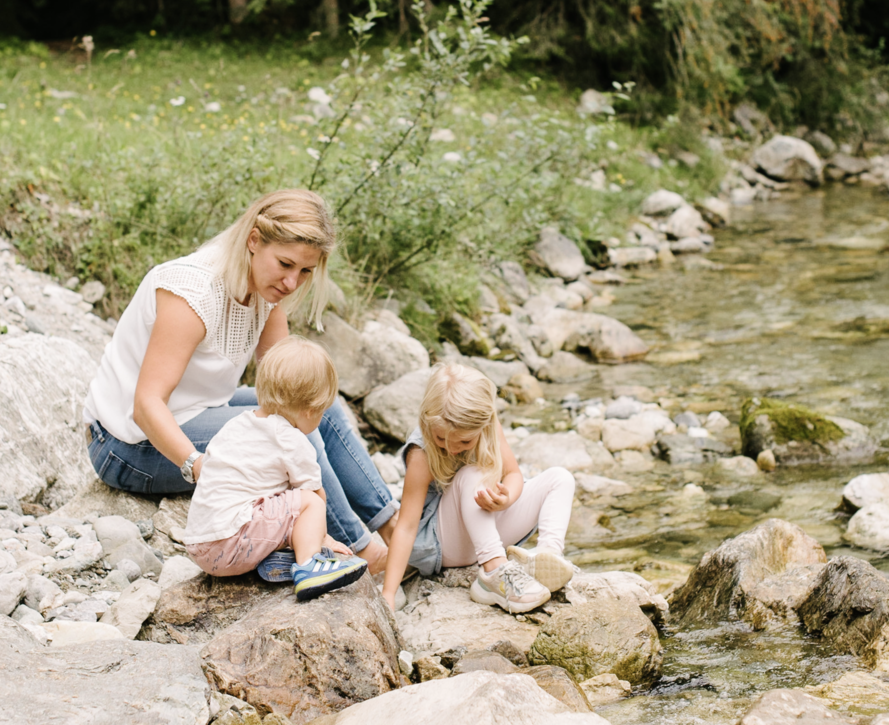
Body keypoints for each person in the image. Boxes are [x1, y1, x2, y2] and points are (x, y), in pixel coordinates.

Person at [82, 189, 399, 570]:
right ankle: (360, 551)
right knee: (293, 432)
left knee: (317, 408)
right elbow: (146, 405)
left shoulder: (267, 289)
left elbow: (288, 387)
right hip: (127, 445)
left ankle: (397, 530)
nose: (291, 282)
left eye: (305, 271)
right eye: (285, 263)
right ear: (253, 240)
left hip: (200, 412)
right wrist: (203, 469)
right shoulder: (192, 292)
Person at [380, 362, 577, 614]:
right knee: (471, 474)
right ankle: (493, 572)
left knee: (560, 478)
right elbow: (406, 526)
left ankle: (547, 558)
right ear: (427, 422)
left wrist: (506, 499)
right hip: (445, 544)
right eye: (441, 438)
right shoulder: (422, 452)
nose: (452, 448)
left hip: (486, 530)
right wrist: (388, 593)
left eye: (464, 441)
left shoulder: (488, 427)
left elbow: (513, 474)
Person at [182, 337, 369, 600]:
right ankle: (309, 565)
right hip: (231, 541)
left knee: (280, 506)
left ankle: (281, 560)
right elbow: (315, 497)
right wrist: (323, 538)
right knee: (309, 502)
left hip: (201, 546)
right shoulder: (290, 439)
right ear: (310, 411)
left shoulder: (237, 424)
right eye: (321, 412)